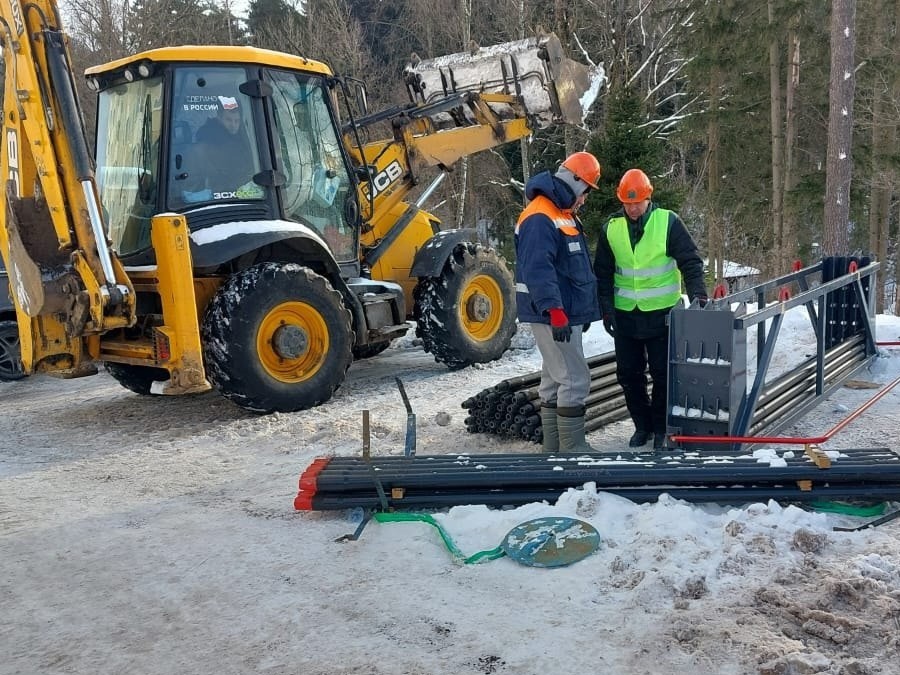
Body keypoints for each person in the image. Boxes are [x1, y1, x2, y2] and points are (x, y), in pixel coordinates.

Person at [594, 168, 707, 450]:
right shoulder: (611, 228)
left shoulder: (668, 222)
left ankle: (660, 428)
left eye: (638, 202)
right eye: (627, 203)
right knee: (628, 375)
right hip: (625, 316)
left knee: (662, 374)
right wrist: (606, 309)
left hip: (662, 315)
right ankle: (641, 426)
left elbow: (690, 262)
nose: (632, 208)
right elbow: (603, 273)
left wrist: (698, 295)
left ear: (649, 197)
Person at [514, 151, 603, 453]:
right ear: (575, 182)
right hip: (552, 313)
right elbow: (538, 269)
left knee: (554, 378)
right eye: (586, 190)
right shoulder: (541, 216)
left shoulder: (560, 213)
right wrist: (555, 311)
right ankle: (573, 449)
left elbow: (573, 268)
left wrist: (579, 310)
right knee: (575, 378)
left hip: (561, 313)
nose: (585, 198)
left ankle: (553, 448)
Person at [192, 96, 257, 196]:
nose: (233, 125)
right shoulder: (208, 138)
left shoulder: (247, 135)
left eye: (237, 121)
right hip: (219, 190)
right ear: (219, 118)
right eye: (229, 120)